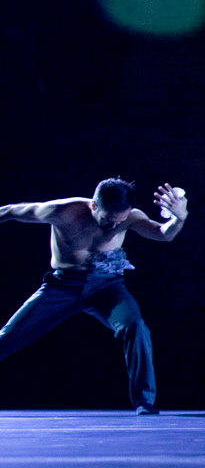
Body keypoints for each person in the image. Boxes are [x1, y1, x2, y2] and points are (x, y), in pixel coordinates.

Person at [0, 177, 188, 413]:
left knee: (136, 327)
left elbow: (164, 234)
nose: (112, 227)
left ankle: (144, 401)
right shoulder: (62, 211)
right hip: (63, 285)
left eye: (118, 222)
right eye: (107, 221)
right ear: (94, 206)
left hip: (106, 286)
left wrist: (178, 217)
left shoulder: (131, 216)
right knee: (10, 335)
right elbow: (9, 211)